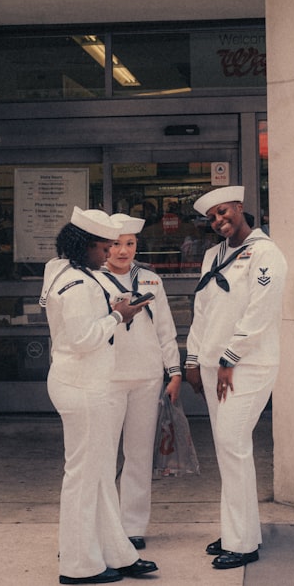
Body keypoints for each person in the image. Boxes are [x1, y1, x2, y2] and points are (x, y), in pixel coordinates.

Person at [39, 207, 159, 585]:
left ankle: (116, 552)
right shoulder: (76, 283)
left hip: (82, 383)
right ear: (85, 244)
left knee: (100, 475)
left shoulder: (61, 268)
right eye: (104, 246)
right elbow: (81, 338)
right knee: (83, 478)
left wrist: (111, 308)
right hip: (83, 386)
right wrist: (118, 317)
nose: (110, 253)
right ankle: (77, 565)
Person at [183, 186, 287, 570]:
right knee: (228, 452)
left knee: (233, 446)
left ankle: (242, 543)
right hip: (214, 367)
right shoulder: (214, 254)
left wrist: (229, 357)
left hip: (247, 367)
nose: (218, 220)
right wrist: (193, 359)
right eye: (211, 217)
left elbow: (261, 313)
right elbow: (203, 310)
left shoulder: (266, 253)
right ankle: (237, 531)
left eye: (223, 211)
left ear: (240, 207)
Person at [98, 213, 182, 551]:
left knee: (138, 454)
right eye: (116, 244)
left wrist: (173, 371)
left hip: (147, 377)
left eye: (129, 244)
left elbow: (165, 329)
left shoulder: (150, 279)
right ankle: (105, 524)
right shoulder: (93, 279)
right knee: (103, 455)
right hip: (107, 377)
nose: (122, 251)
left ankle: (133, 526)